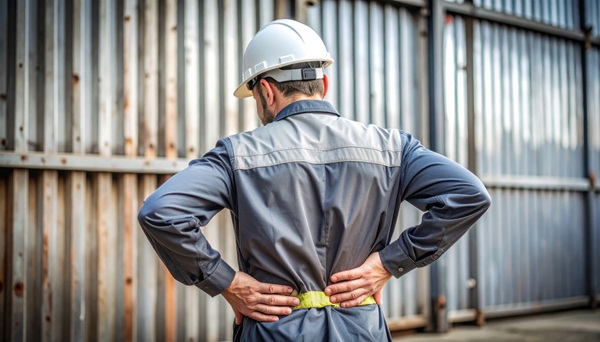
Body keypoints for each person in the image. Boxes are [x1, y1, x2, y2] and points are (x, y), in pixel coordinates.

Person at [138, 19, 491, 341]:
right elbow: (468, 194)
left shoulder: (237, 155)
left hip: (275, 329)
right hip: (360, 328)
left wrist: (227, 283)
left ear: (266, 91)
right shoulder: (392, 147)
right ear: (324, 82)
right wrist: (389, 262)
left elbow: (161, 212)